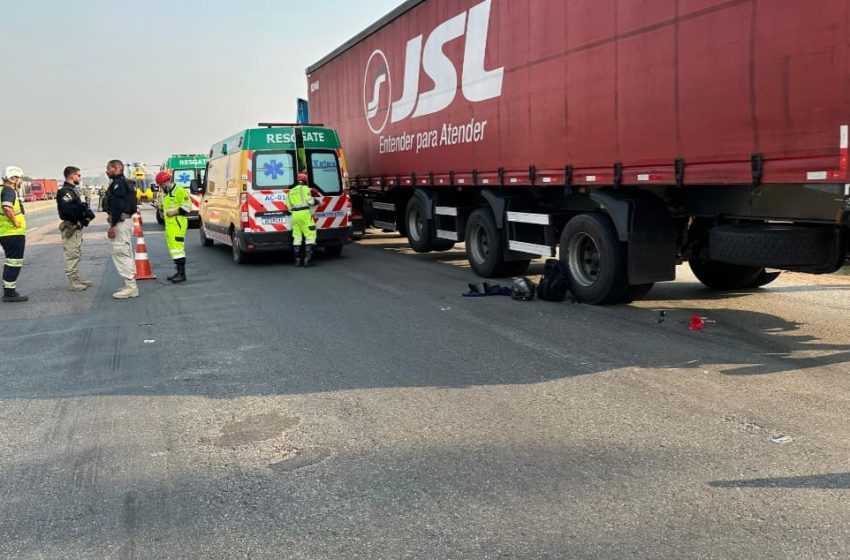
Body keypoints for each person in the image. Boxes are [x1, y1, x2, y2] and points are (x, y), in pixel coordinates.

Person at [57, 166, 96, 291]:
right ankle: (73, 282)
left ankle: (76, 278)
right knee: (72, 254)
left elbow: (79, 207)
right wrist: (78, 221)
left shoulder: (73, 190)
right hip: (71, 226)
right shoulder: (65, 192)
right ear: (72, 176)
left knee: (76, 253)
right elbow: (66, 210)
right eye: (78, 175)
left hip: (77, 226)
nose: (80, 177)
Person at [104, 160, 139, 299]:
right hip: (125, 221)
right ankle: (129, 284)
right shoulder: (126, 182)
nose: (106, 171)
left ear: (117, 168)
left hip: (120, 222)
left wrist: (112, 225)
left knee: (120, 251)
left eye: (109, 168)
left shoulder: (118, 183)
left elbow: (118, 205)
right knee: (124, 250)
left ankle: (131, 287)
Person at [155, 171, 191, 283]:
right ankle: (178, 272)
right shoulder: (168, 193)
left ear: (166, 182)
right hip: (171, 226)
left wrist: (174, 212)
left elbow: (187, 206)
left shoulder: (179, 191)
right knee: (174, 250)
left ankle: (181, 274)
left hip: (177, 225)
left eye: (161, 185)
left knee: (178, 250)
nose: (160, 187)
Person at [1, 165, 28, 302]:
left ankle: (8, 290)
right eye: (19, 179)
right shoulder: (8, 191)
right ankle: (9, 293)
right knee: (14, 262)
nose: (21, 181)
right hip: (12, 233)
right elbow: (7, 207)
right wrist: (15, 222)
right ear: (13, 178)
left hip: (5, 233)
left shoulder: (1, 190)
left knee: (10, 261)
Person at [287, 172, 318, 267]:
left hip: (295, 216)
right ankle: (307, 260)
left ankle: (297, 260)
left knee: (297, 237)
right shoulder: (304, 189)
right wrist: (317, 201)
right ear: (305, 181)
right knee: (310, 236)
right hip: (304, 215)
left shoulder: (290, 192)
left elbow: (288, 207)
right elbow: (310, 201)